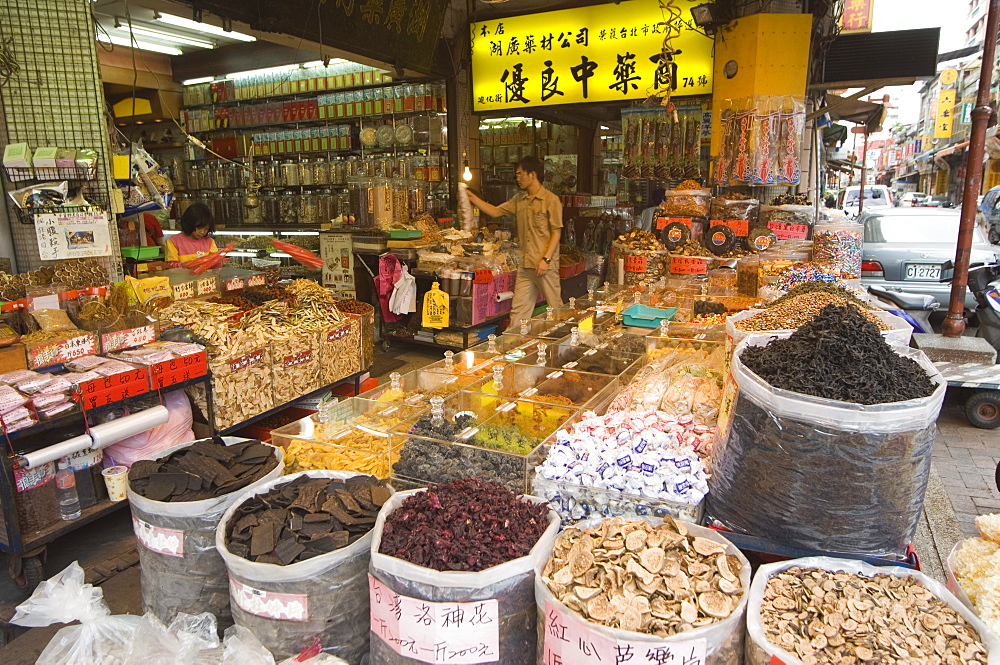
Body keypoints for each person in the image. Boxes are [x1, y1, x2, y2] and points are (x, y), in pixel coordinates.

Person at [466, 156, 563, 325]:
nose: (517, 179)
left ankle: (568, 343)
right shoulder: (519, 200)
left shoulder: (551, 200)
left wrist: (546, 259)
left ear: (532, 175)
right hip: (526, 265)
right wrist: (473, 199)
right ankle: (513, 346)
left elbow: (556, 233)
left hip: (544, 266)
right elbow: (495, 212)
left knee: (556, 309)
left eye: (519, 174)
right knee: (518, 312)